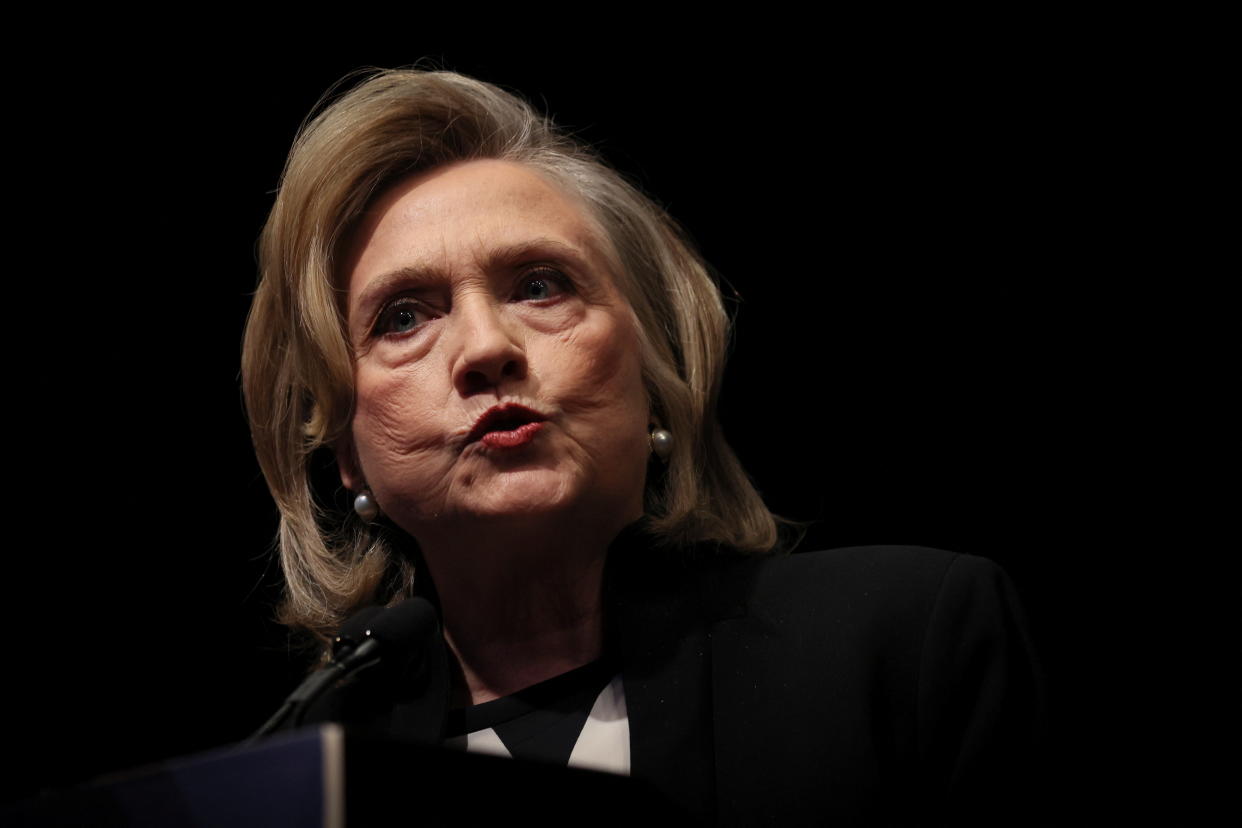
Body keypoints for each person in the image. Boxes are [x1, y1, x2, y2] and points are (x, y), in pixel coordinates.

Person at [242, 68, 1046, 824]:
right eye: (404, 318)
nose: (486, 347)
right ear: (346, 449)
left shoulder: (902, 647)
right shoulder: (298, 783)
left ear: (654, 370)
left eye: (539, 286)